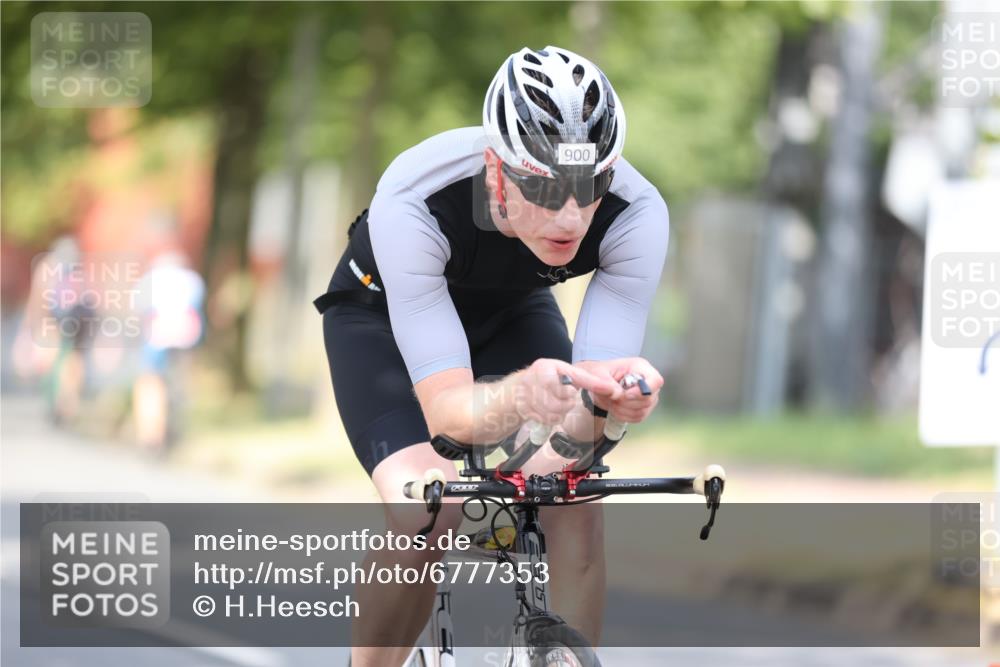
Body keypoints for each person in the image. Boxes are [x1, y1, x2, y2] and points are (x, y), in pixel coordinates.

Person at [317, 46, 669, 666]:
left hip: (512, 309)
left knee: (575, 492)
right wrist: (516, 396)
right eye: (543, 185)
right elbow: (449, 416)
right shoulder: (415, 197)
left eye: (591, 185)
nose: (570, 214)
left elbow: (585, 420)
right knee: (429, 506)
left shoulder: (636, 215)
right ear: (495, 168)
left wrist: (611, 409)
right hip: (381, 319)